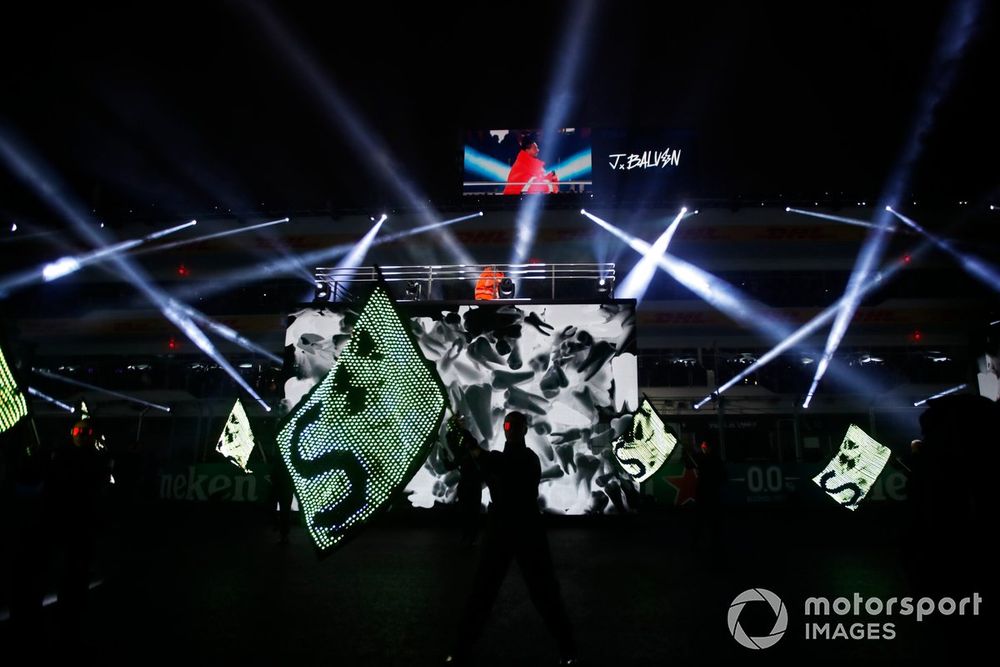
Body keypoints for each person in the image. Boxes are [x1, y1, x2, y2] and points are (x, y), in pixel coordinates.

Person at [448, 412, 576, 665]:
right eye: (510, 425)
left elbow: (484, 459)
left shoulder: (516, 460)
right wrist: (466, 438)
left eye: (514, 425)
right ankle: (568, 649)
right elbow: (484, 458)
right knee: (540, 591)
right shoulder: (526, 459)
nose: (512, 429)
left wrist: (465, 436)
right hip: (525, 528)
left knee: (487, 591)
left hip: (508, 528)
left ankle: (462, 649)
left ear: (521, 429)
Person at [442, 415, 484, 545]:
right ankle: (469, 535)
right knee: (469, 511)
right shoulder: (459, 441)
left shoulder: (465, 441)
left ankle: (469, 535)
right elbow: (455, 461)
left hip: (471, 481)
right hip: (469, 481)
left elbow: (455, 461)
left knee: (470, 511)